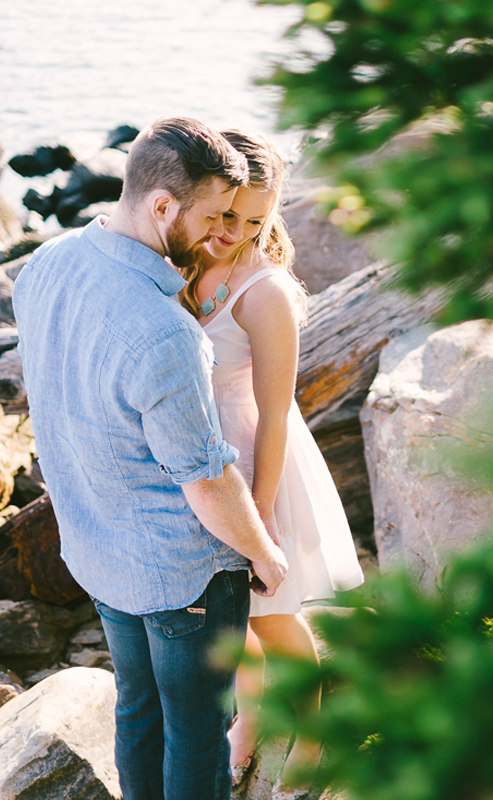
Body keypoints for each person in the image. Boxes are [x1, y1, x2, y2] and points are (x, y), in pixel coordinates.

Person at [13, 117, 289, 800]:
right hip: (183, 572)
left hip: (97, 546)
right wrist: (263, 552)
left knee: (138, 712)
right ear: (162, 206)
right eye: (212, 215)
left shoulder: (47, 264)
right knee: (197, 733)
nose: (220, 231)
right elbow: (206, 480)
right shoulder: (166, 331)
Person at [176, 129, 365, 800]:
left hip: (258, 464)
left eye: (255, 220)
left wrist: (260, 515)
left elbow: (279, 412)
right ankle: (252, 715)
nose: (235, 231)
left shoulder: (265, 293)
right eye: (227, 214)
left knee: (273, 617)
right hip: (196, 463)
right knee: (226, 615)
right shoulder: (186, 257)